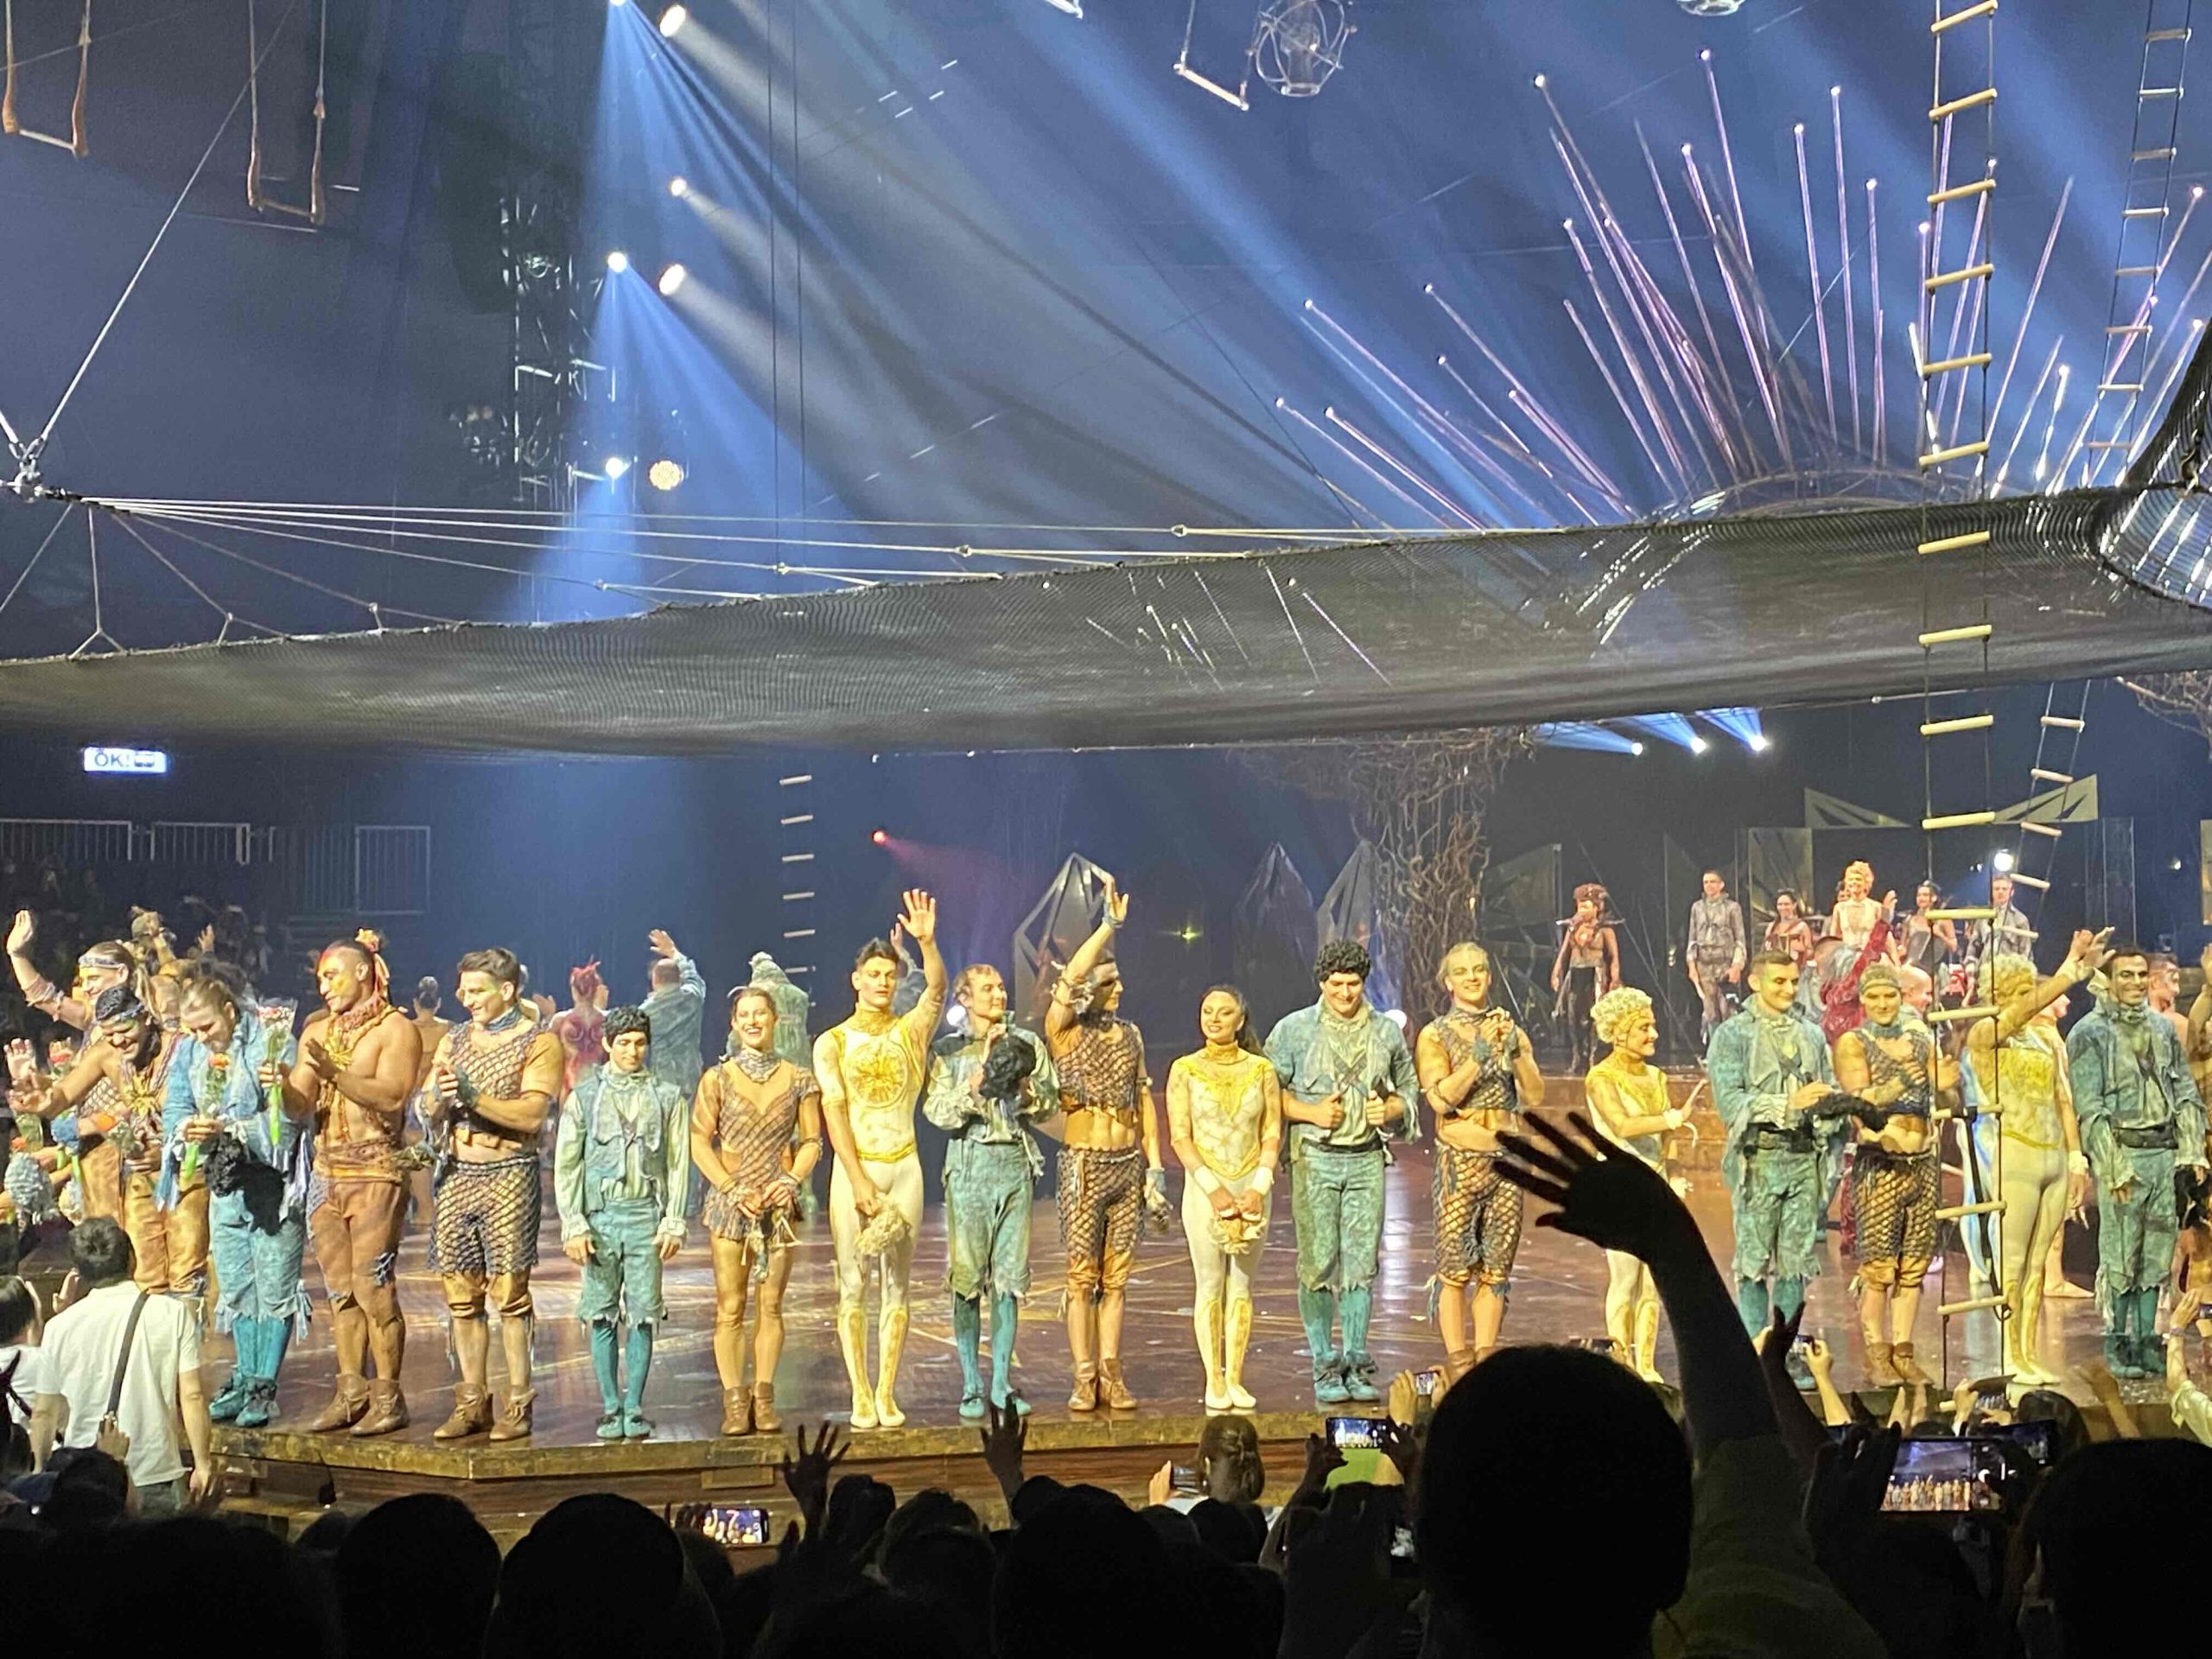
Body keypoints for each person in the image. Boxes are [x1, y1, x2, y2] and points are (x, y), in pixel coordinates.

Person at [1465, 1116, 1885, 1659]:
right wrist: (1669, 1240)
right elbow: (1742, 1464)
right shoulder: (1738, 1625)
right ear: (1670, 1558)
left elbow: (1741, 1466)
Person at [279, 934, 422, 1437]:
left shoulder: (396, 1029)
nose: (324, 988)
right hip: (327, 1172)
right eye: (320, 979)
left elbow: (392, 1096)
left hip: (376, 1170)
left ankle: (389, 1397)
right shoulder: (316, 1031)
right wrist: (279, 1083)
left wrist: (334, 1073)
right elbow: (300, 1106)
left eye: (331, 976)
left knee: (372, 1288)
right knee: (340, 1292)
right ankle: (350, 1393)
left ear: (362, 972)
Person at [1266, 937, 1418, 1406]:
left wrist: (1390, 1109)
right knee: (1318, 1261)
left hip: (1366, 1158)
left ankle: (1355, 1359)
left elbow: (1409, 1088)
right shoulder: (1293, 1030)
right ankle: (1323, 1363)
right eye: (1336, 984)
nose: (1345, 993)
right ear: (1321, 982)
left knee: (1360, 1264)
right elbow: (1266, 1092)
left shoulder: (1386, 1032)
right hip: (1315, 1158)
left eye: (1353, 984)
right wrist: (1309, 1112)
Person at [817, 893, 944, 1429]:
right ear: (856, 981)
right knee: (854, 1284)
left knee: (898, 1284)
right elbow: (834, 1113)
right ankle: (861, 1394)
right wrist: (858, 1181)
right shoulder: (832, 1042)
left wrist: (927, 943)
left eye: (889, 975)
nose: (883, 983)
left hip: (905, 1166)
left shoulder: (909, 1032)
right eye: (873, 975)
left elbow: (936, 991)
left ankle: (888, 1391)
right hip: (857, 1170)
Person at [426, 946, 565, 1440]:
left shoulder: (539, 1042)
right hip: (457, 1174)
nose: (465, 999)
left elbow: (531, 1115)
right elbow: (427, 1104)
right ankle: (471, 1403)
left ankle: (518, 1404)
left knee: (509, 1295)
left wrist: (472, 1096)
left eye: (476, 991)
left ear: (506, 990)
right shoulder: (454, 1039)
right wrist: (437, 1099)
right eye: (462, 990)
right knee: (461, 1297)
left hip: (508, 1173)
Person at [1046, 877, 1171, 1412]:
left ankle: (1112, 1373)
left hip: (1127, 1167)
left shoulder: (1131, 1035)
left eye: (1119, 981)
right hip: (1084, 1167)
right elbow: (1072, 976)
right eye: (1110, 982)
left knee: (1116, 1280)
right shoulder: (1065, 1031)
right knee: (1081, 1278)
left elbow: (1144, 1101)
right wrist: (1107, 928)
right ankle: (1083, 1376)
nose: (1118, 990)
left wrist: (1154, 1168)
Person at [162, 977, 308, 1428]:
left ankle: (265, 1385)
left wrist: (238, 1128)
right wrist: (187, 1127)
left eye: (206, 1026)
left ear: (229, 1010)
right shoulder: (189, 1052)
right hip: (225, 1185)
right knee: (238, 1285)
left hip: (271, 1184)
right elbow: (175, 1104)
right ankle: (244, 1376)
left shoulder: (271, 1040)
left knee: (275, 1287)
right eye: (192, 1029)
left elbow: (290, 1116)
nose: (200, 1037)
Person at [1963, 935, 2102, 1384]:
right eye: (2020, 991)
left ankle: (2028, 1351)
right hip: (2017, 1152)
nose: (2030, 999)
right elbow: (2014, 1016)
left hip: (2052, 1155)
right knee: (2014, 1261)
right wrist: (2064, 975)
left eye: (2031, 989)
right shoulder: (1985, 1035)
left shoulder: (2045, 1038)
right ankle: (2009, 1352)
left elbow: (2064, 1099)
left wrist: (2076, 1158)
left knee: (2039, 1262)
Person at [923, 963, 1059, 1420]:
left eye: (1001, 987)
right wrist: (978, 1081)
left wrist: (1024, 1091)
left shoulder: (1027, 1043)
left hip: (1014, 1164)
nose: (998, 994)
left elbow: (1049, 1102)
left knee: (1009, 1279)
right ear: (964, 998)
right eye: (987, 989)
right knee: (966, 1279)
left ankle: (1001, 1381)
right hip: (969, 1166)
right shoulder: (948, 1052)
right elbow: (937, 1112)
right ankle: (970, 1383)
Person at [2070, 942, 2209, 1376]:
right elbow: (2089, 1107)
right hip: (2123, 1154)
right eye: (2125, 975)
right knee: (2121, 1253)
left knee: (2156, 1253)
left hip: (2163, 1153)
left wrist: (2191, 1149)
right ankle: (2118, 1342)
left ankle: (2147, 1341)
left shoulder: (2163, 1029)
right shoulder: (2089, 1033)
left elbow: (2183, 1090)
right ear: (2110, 980)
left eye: (2140, 974)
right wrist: (2111, 1165)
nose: (2134, 982)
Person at [554, 1006, 688, 1440]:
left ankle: (635, 1406)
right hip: (601, 1218)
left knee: (644, 1315)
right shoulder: (585, 1097)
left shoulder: (667, 1097)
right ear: (608, 1043)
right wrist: (573, 1223)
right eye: (624, 1042)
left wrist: (673, 1220)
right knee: (601, 1314)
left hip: (645, 1216)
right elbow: (568, 1164)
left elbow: (678, 1163)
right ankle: (611, 1407)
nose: (633, 1051)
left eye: (640, 1043)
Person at [694, 984, 822, 1434]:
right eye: (744, 1015)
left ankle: (764, 1398)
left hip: (777, 1208)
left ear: (774, 1020)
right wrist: (730, 1188)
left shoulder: (800, 1078)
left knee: (771, 1305)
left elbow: (812, 1141)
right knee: (730, 1306)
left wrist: (790, 1181)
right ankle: (735, 1402)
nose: (752, 1021)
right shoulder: (717, 1079)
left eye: (760, 1014)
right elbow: (698, 1141)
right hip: (731, 1205)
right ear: (734, 1023)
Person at [1706, 950, 1848, 1336]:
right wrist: (1788, 1103)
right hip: (1759, 1162)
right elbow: (1730, 1104)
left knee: (1795, 1262)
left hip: (1804, 1160)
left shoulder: (1811, 1034)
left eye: (1794, 981)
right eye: (1779, 981)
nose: (1789, 989)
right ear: (1755, 982)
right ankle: (1755, 1347)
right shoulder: (1733, 1035)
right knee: (1753, 1262)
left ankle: (1786, 1347)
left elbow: (1827, 1087)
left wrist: (1834, 1108)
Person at [29, 1218, 214, 1514]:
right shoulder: (172, 1313)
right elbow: (192, 1395)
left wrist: (39, 1469)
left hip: (87, 1477)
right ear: (132, 1258)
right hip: (155, 1471)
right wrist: (202, 1463)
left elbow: (44, 1412)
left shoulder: (59, 1327)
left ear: (80, 1271)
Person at [1415, 942, 1538, 1374]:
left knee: (1496, 1268)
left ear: (1489, 975)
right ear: (1448, 983)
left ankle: (1486, 1359)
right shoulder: (1435, 1034)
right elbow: (1441, 1100)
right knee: (1454, 1267)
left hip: (1506, 1164)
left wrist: (1515, 1052)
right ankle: (1458, 1363)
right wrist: (1477, 1057)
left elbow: (1534, 1094)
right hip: (1460, 1164)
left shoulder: (1509, 1029)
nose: (1472, 977)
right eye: (1462, 972)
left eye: (1479, 969)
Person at [1833, 963, 1958, 1387]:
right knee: (1879, 1269)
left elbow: (1943, 1092)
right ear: (1863, 1000)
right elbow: (1860, 1102)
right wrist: (1901, 1082)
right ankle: (1877, 1355)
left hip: (1921, 1163)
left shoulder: (1920, 1038)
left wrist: (1947, 1082)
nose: (1884, 1004)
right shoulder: (1855, 1042)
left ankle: (1904, 1353)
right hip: (1881, 1165)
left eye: (1890, 995)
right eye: (1875, 997)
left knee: (1914, 1267)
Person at [1164, 985, 1281, 1412]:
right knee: (1210, 1284)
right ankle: (1214, 1377)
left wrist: (1259, 1187)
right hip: (1205, 1189)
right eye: (1207, 1011)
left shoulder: (1262, 1070)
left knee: (1243, 1286)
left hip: (1251, 1188)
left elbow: (1272, 1131)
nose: (1214, 1019)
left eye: (1224, 1012)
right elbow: (1180, 1136)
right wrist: (1212, 1189)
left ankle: (1236, 1377)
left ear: (1240, 1019)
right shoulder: (1185, 1070)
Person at [31, 986, 185, 1290]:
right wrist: (39, 1097)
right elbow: (63, 1095)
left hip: (186, 1172)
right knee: (145, 1270)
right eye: (109, 1034)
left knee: (187, 1268)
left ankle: (189, 1320)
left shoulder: (182, 1049)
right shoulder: (107, 1053)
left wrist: (169, 1153)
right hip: (139, 1173)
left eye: (125, 1030)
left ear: (145, 1018)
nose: (118, 1041)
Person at [1580, 986, 1688, 1381]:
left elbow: (1668, 1138)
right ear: (1620, 1032)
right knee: (1625, 1278)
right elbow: (1621, 1125)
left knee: (1652, 1282)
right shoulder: (1601, 1077)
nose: (1653, 1034)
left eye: (1652, 1026)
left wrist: (1675, 1175)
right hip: (1619, 1185)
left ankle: (1646, 1363)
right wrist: (1669, 1119)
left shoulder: (1657, 1076)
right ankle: (1622, 1363)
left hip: (1655, 1183)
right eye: (1644, 1027)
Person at [6, 911, 138, 1033]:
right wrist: (17, 955)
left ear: (121, 973)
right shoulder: (93, 1019)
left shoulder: (147, 1014)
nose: (86, 988)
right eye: (82, 981)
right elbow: (44, 998)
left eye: (94, 978)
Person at [1548, 883, 1620, 1072]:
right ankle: (1577, 1054)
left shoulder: (1605, 930)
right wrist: (1556, 973)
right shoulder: (1573, 929)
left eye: (1586, 906)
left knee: (1594, 1016)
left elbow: (1613, 957)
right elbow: (1564, 952)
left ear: (1596, 908)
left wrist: (1614, 979)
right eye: (1579, 906)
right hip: (1576, 973)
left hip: (1595, 974)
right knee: (1573, 1016)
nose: (1582, 911)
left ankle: (1593, 1056)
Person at [640, 930, 708, 1101]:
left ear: (655, 980)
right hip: (691, 1077)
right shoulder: (693, 997)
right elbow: (693, 977)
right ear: (679, 978)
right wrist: (673, 952)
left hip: (661, 1084)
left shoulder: (645, 1013)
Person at [1685, 869, 1746, 1042]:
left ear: (1721, 885)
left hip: (1725, 963)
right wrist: (1692, 966)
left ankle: (1731, 1047)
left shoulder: (1732, 908)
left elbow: (1740, 939)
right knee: (1709, 1010)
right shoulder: (1697, 908)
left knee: (1728, 1008)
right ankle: (1713, 1047)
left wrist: (1736, 966)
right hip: (1704, 965)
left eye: (1713, 882)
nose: (1709, 886)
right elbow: (1692, 939)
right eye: (1706, 882)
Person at [549, 962, 608, 1095]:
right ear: (596, 990)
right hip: (599, 1088)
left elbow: (549, 1056)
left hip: (570, 1087)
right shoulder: (608, 1020)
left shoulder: (560, 1020)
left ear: (573, 990)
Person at [1963, 871, 2035, 974]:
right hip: (1983, 975)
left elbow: (2025, 953)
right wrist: (1970, 973)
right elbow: (1973, 947)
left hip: (2008, 976)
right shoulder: (1983, 917)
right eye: (1997, 889)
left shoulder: (2020, 920)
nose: (2000, 892)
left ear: (2011, 892)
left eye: (2004, 889)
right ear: (1991, 891)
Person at [1898, 882, 1956, 988]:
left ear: (1934, 898)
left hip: (1934, 969)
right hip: (1912, 968)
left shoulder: (1943, 919)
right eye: (1919, 895)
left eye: (1925, 895)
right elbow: (1903, 946)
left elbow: (1954, 947)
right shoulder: (1910, 920)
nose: (1921, 898)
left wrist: (1940, 934)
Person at [1827, 861, 1891, 956]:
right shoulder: (1840, 908)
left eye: (1858, 879)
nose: (1854, 882)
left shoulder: (1875, 907)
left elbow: (1884, 937)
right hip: (1846, 957)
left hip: (1869, 957)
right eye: (1851, 879)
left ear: (1866, 883)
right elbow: (1834, 938)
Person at [1762, 889, 1815, 968]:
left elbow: (1810, 951)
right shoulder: (1771, 927)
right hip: (1774, 968)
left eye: (1786, 904)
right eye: (1780, 904)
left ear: (1794, 905)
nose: (1783, 907)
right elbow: (1764, 949)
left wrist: (1800, 949)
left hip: (1795, 968)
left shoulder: (1802, 926)